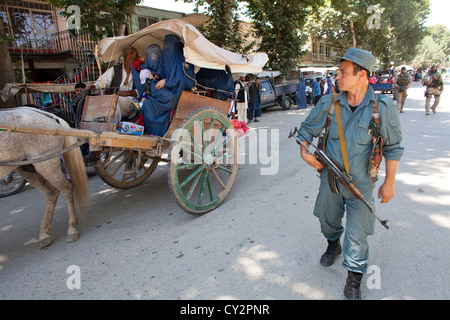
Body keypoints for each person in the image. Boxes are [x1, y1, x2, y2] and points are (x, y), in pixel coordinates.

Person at [297, 48, 404, 300]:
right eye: (338, 72)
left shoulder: (383, 108)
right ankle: (333, 243)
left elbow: (394, 147)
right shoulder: (329, 103)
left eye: (343, 72)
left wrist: (389, 183)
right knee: (327, 219)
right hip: (330, 181)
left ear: (362, 75)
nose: (337, 76)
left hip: (363, 183)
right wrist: (305, 153)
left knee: (358, 233)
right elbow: (305, 131)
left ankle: (354, 279)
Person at [89, 47, 139, 120]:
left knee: (114, 103)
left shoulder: (139, 71)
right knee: (101, 103)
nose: (138, 58)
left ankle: (111, 124)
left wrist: (129, 92)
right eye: (136, 55)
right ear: (129, 56)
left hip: (130, 101)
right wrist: (93, 87)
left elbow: (144, 89)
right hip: (113, 99)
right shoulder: (115, 69)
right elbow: (103, 82)